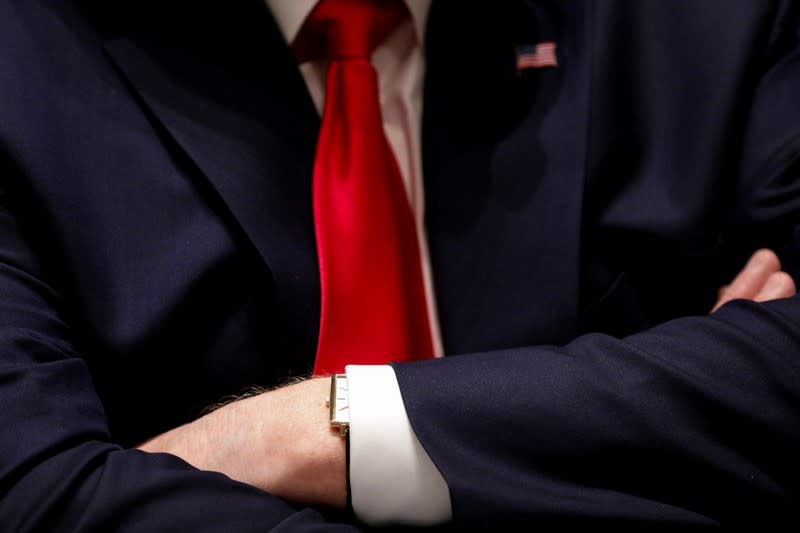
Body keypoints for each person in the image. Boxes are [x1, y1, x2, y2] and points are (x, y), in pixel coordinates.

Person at [0, 0, 798, 531]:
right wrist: (673, 398)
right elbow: (38, 497)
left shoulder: (711, 22)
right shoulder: (25, 56)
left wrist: (320, 430)